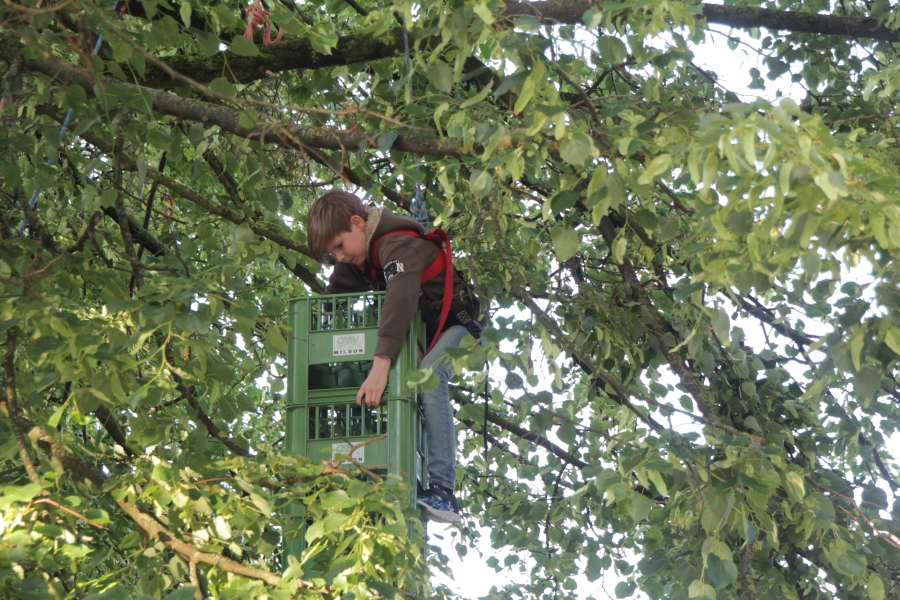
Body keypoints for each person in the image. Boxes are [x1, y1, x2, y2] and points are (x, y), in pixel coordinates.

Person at [307, 190, 482, 524]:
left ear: (358, 224)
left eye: (340, 246)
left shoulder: (395, 244)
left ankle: (444, 491)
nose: (340, 257)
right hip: (426, 335)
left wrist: (382, 362)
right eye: (333, 253)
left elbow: (401, 296)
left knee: (428, 377)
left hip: (461, 330)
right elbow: (330, 300)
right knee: (397, 380)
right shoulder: (359, 259)